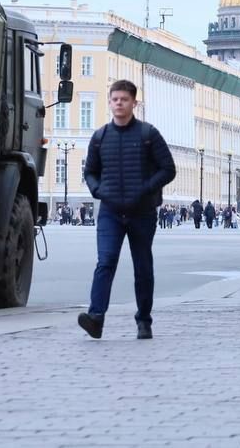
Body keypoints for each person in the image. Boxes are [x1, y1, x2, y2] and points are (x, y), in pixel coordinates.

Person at [78, 80, 176, 341]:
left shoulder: (148, 134)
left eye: (124, 99)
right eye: (115, 99)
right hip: (110, 212)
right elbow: (90, 172)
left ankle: (144, 320)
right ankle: (95, 318)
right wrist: (98, 190)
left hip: (142, 212)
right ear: (110, 103)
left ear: (134, 103)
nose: (119, 103)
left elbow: (168, 169)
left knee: (142, 266)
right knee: (105, 261)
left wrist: (145, 189)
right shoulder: (100, 137)